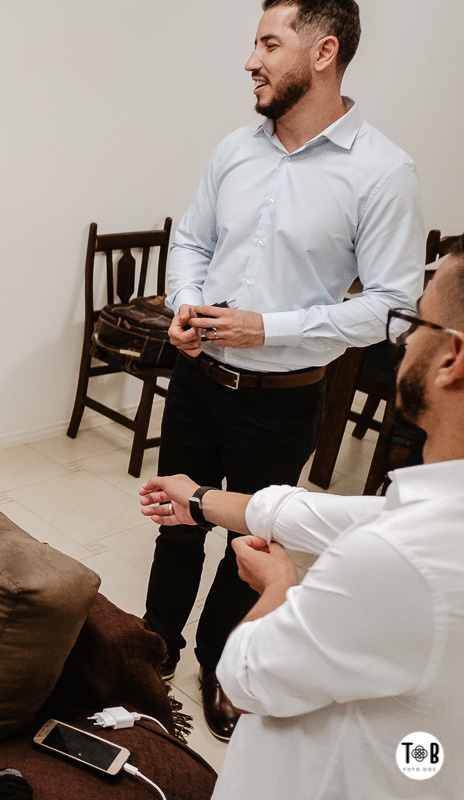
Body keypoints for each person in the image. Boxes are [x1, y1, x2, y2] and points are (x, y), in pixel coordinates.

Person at [142, 0, 425, 740]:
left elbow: (395, 305)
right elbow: (193, 241)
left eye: (269, 43)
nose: (251, 60)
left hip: (283, 400)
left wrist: (272, 328)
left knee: (252, 540)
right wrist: (186, 301)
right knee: (175, 518)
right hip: (199, 382)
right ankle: (153, 650)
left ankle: (217, 663)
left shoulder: (383, 172)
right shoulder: (234, 149)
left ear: (323, 53)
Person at [138, 240, 464, 797]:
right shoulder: (430, 516)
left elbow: (248, 681)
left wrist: (279, 589)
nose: (404, 338)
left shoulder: (394, 559)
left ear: (452, 360)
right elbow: (323, 511)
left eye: (413, 320)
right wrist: (198, 500)